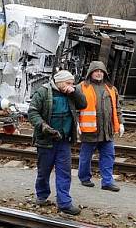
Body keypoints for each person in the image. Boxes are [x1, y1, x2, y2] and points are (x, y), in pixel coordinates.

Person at [27, 70, 87, 215]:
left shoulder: (71, 93)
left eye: (72, 83)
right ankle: (41, 196)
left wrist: (74, 92)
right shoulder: (43, 92)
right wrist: (44, 127)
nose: (70, 86)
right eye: (68, 83)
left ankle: (64, 203)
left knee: (64, 172)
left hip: (64, 140)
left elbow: (83, 104)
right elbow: (32, 112)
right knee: (44, 171)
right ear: (59, 82)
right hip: (46, 140)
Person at [77, 61, 124, 192]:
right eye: (96, 71)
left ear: (104, 73)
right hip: (89, 131)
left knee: (109, 155)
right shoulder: (81, 88)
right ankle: (84, 178)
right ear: (90, 73)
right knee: (85, 157)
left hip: (106, 131)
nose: (99, 73)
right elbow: (74, 108)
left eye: (101, 71)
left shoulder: (111, 89)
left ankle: (107, 182)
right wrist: (76, 123)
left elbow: (117, 108)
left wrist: (120, 123)